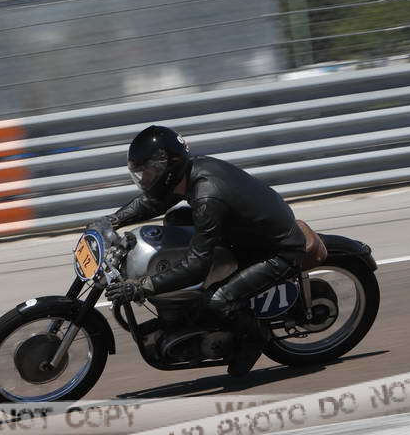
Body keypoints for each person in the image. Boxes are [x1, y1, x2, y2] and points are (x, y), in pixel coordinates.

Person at [94, 125, 306, 377]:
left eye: (149, 172)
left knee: (217, 301)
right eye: (141, 173)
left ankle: (255, 336)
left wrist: (140, 287)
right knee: (175, 220)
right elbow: (153, 202)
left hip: (277, 250)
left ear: (168, 167)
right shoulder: (190, 173)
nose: (145, 179)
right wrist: (111, 221)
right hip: (245, 232)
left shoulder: (206, 197)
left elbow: (197, 267)